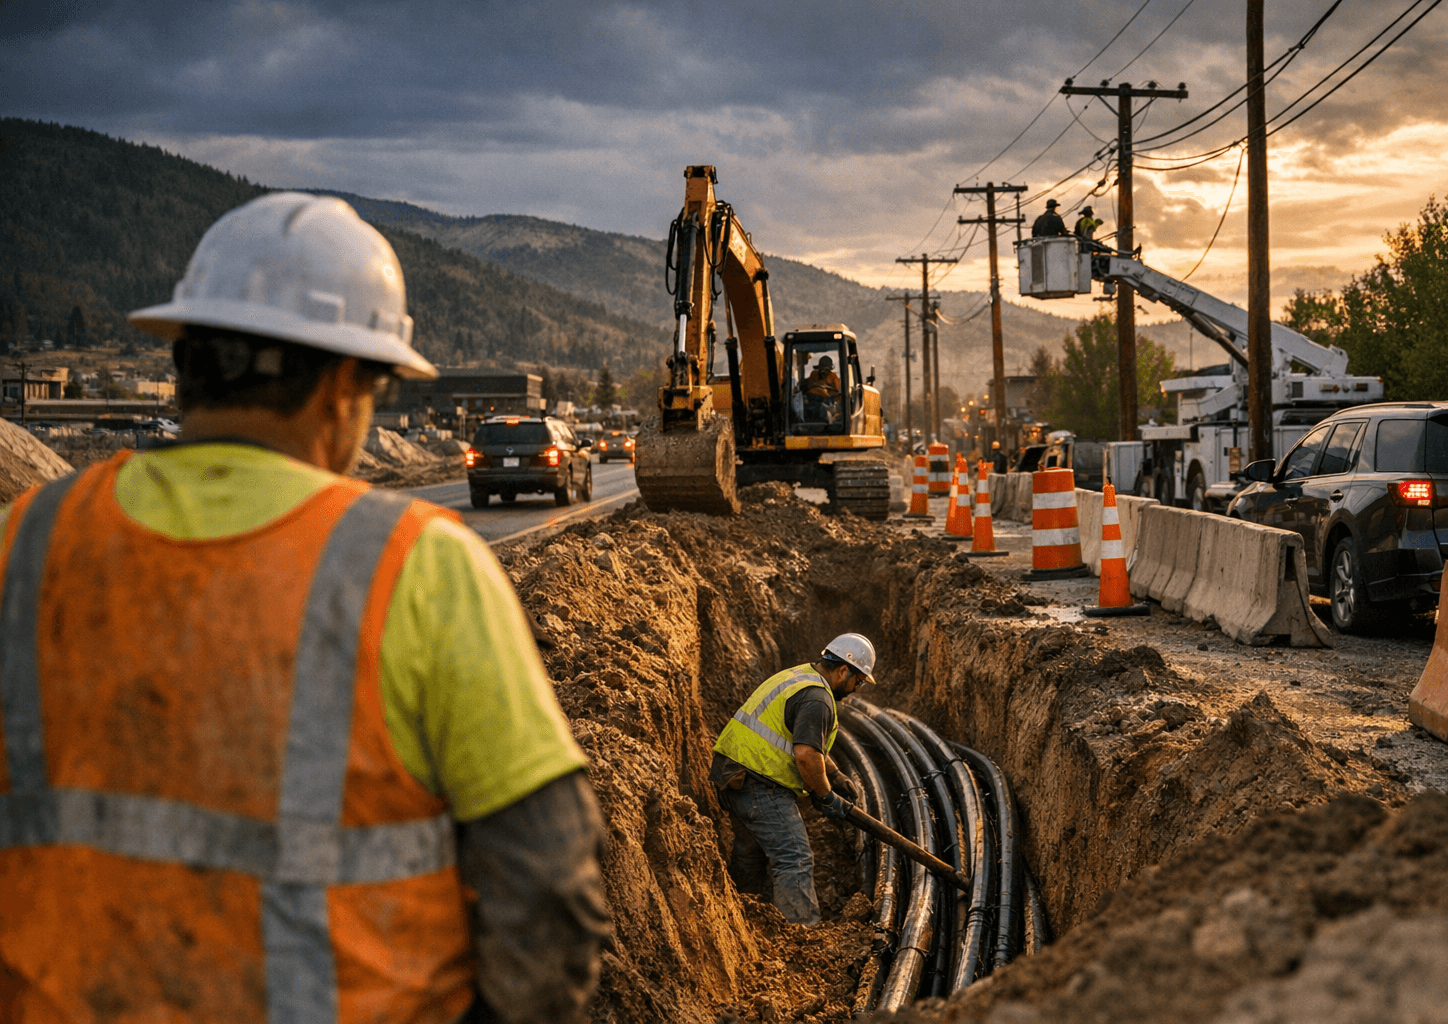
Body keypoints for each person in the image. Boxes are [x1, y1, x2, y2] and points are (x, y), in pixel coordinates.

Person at [0, 192, 610, 1024]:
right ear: (345, 383)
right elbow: (546, 892)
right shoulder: (418, 567)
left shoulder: (26, 542)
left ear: (186, 359)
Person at [710, 633, 876, 925]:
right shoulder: (818, 699)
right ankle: (801, 932)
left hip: (731, 771)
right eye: (858, 681)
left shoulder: (801, 676)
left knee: (750, 847)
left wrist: (834, 774)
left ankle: (739, 911)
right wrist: (825, 795)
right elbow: (806, 755)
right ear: (842, 671)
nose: (855, 689)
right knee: (794, 857)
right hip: (757, 782)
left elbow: (797, 736)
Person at [803, 355, 843, 422]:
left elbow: (838, 393)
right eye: (822, 369)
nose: (824, 372)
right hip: (812, 400)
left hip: (828, 401)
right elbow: (807, 385)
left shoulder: (834, 377)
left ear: (830, 369)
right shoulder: (814, 374)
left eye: (826, 370)